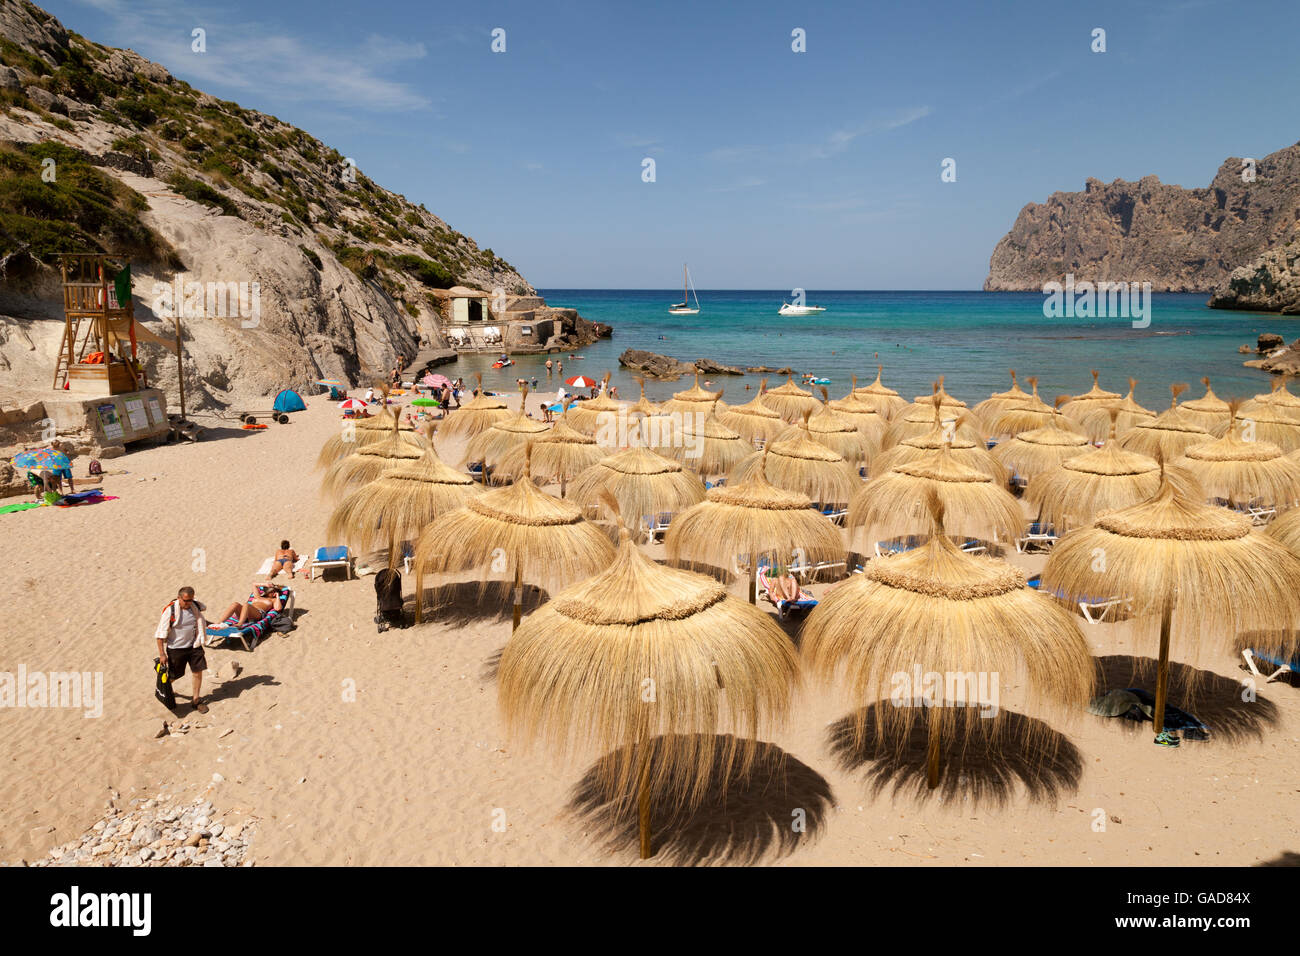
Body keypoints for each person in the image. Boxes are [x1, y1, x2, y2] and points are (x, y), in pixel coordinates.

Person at [154, 586, 210, 713]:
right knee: (175, 675)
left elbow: (199, 621)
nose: (188, 603)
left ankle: (196, 700)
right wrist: (162, 654)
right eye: (185, 600)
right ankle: (163, 687)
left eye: (190, 600)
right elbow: (160, 635)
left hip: (194, 645)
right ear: (179, 598)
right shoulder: (170, 611)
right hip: (176, 649)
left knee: (198, 671)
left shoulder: (195, 608)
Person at [216, 585, 284, 628]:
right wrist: (265, 584)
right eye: (270, 591)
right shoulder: (258, 596)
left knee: (246, 604)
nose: (272, 593)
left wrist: (277, 596)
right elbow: (254, 584)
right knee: (235, 604)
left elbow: (278, 608)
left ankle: (240, 624)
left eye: (273, 591)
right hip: (246, 613)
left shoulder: (273, 600)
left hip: (258, 614)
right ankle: (218, 623)